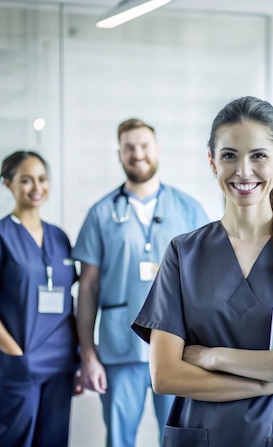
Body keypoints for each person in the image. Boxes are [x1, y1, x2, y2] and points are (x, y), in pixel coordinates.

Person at [130, 96, 273, 447]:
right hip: (204, 434)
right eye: (229, 155)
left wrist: (213, 356)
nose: (243, 171)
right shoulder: (183, 253)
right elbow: (165, 374)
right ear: (212, 162)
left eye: (258, 156)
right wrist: (266, 383)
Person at [73, 118, 210, 447]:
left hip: (179, 347)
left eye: (144, 146)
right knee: (119, 439)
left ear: (157, 149)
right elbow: (87, 288)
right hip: (120, 348)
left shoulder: (189, 209)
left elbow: (207, 282)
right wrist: (88, 354)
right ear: (119, 154)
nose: (137, 154)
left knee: (180, 436)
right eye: (129, 147)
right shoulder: (100, 213)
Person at [0, 151, 80, 447]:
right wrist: (15, 352)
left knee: (54, 440)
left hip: (61, 361)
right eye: (25, 180)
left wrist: (78, 356)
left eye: (42, 179)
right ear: (8, 184)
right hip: (21, 361)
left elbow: (70, 301)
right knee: (16, 440)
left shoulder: (59, 237)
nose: (36, 187)